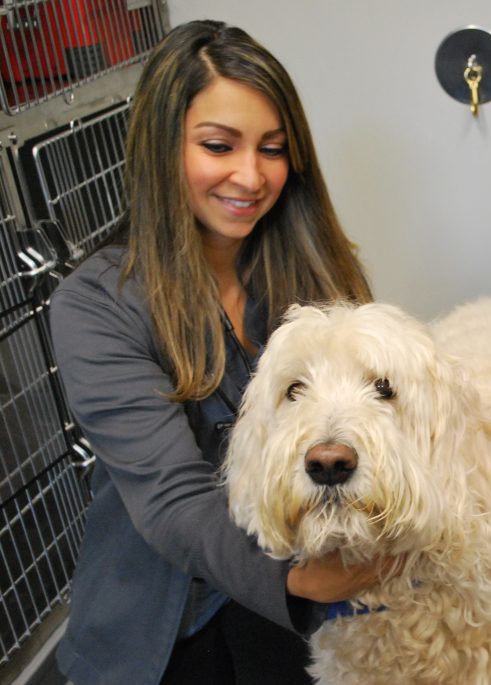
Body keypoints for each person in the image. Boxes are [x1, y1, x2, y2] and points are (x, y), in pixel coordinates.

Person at [50, 20, 385, 685]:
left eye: (273, 148)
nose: (251, 175)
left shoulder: (317, 276)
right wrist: (304, 581)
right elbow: (176, 501)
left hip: (305, 600)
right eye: (218, 145)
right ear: (161, 147)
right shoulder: (96, 303)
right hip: (169, 621)